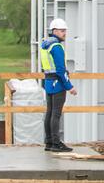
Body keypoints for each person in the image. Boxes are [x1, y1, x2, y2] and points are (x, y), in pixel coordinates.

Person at [41, 18, 77, 153]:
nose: (64, 34)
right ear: (54, 31)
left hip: (48, 81)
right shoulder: (56, 47)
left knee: (49, 113)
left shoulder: (45, 45)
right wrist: (70, 86)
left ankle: (49, 142)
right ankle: (56, 143)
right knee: (56, 114)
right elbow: (61, 69)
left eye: (65, 31)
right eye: (62, 31)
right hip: (58, 83)